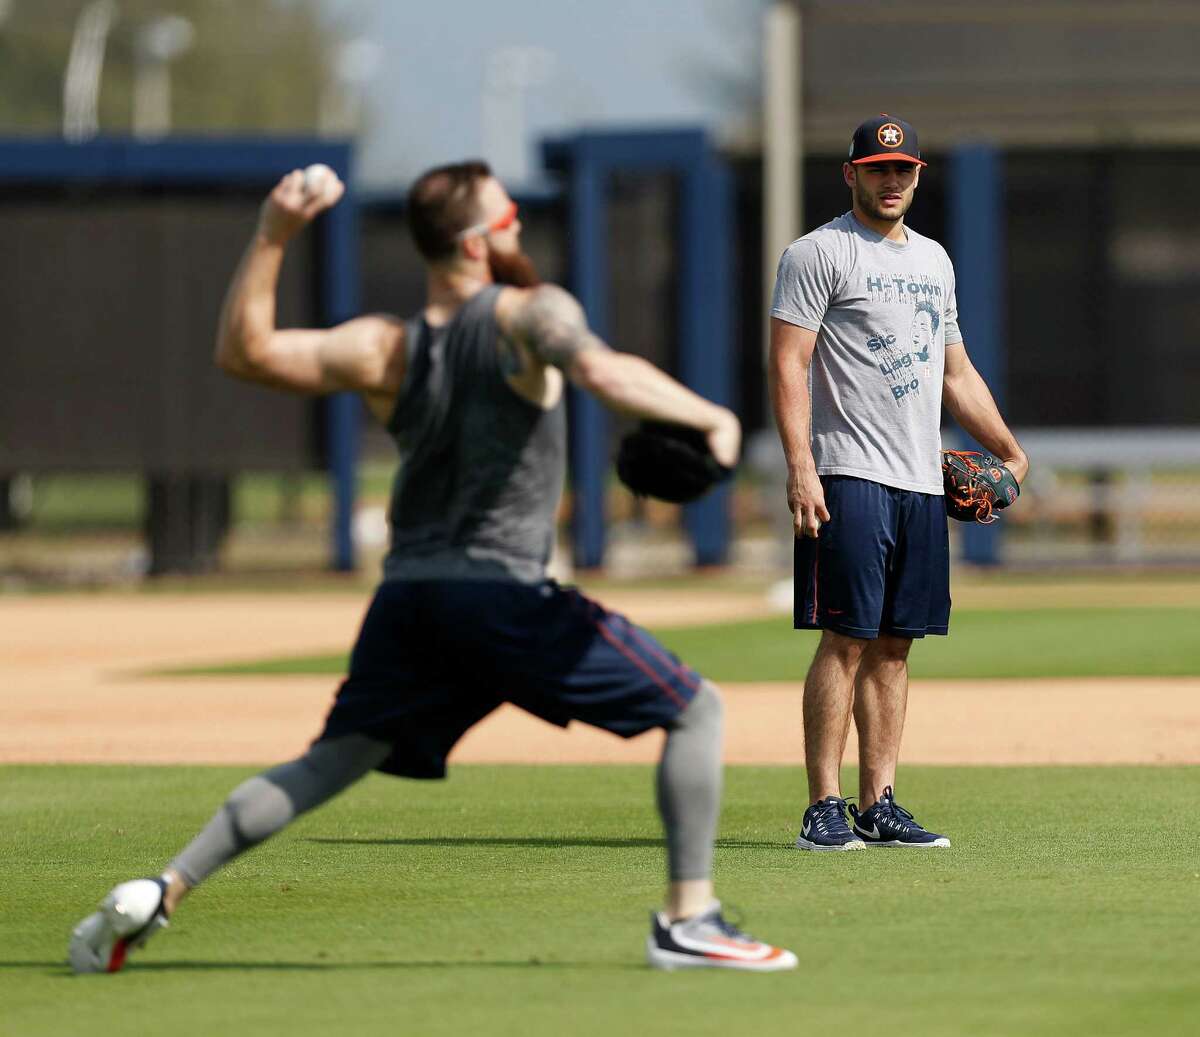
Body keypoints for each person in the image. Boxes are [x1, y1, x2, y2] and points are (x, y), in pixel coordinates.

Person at [68, 161, 796, 973]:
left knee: (329, 761)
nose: (520, 228)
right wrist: (714, 417)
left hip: (409, 601)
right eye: (512, 216)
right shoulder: (532, 313)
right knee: (695, 709)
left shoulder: (384, 346)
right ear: (480, 242)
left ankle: (159, 890)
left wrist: (273, 233)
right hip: (501, 600)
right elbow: (601, 371)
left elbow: (247, 353)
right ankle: (689, 920)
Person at [768, 115, 1028, 851]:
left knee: (894, 646)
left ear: (917, 177)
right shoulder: (818, 253)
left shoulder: (934, 261)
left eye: (903, 169)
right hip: (846, 471)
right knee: (844, 639)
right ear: (850, 173)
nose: (892, 180)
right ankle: (823, 806)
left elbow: (956, 371)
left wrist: (1010, 451)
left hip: (918, 481)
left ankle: (879, 802)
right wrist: (799, 465)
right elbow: (788, 362)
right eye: (878, 168)